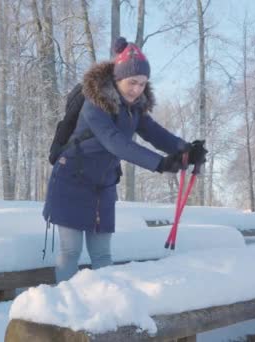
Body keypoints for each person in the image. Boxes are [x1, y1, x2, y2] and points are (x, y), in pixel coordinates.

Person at [42, 37, 207, 282]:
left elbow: (155, 133)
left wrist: (186, 149)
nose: (137, 89)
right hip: (71, 181)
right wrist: (161, 164)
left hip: (103, 185)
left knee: (101, 253)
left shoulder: (134, 108)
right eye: (132, 82)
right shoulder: (94, 104)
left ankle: (107, 304)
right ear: (118, 79)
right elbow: (116, 143)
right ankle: (63, 309)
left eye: (142, 84)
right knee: (71, 251)